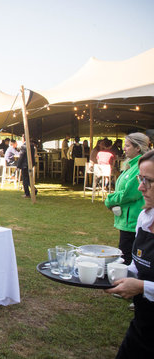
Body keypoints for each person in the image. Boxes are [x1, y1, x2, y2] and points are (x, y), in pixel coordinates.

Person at [105, 149, 154, 358]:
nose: (141, 187)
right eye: (140, 179)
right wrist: (110, 273)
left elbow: (141, 281)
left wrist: (142, 287)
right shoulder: (145, 217)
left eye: (149, 181)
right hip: (143, 327)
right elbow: (137, 266)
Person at [105, 133, 150, 265]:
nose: (124, 148)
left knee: (127, 260)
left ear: (138, 148)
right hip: (126, 220)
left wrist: (109, 200)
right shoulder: (131, 166)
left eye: (127, 145)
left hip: (132, 222)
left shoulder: (139, 167)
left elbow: (129, 194)